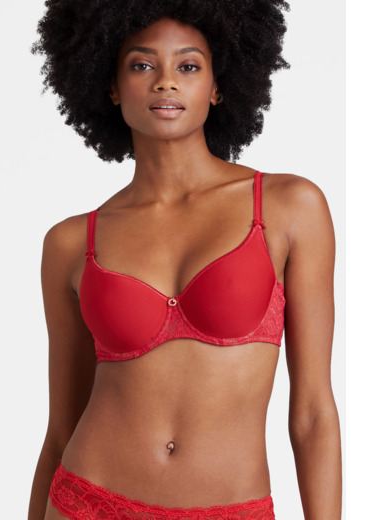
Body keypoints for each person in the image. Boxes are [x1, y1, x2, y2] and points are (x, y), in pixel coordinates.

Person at [28, 1, 342, 519]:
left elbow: (313, 414)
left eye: (189, 65)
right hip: (88, 501)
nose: (166, 82)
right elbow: (61, 429)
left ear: (217, 86)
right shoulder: (69, 243)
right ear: (111, 86)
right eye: (141, 64)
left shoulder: (288, 207)